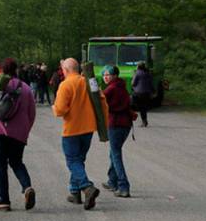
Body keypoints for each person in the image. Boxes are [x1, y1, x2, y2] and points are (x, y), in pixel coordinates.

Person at [0, 58, 37, 211]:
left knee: (0, 166)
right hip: (19, 132)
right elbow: (32, 112)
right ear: (16, 70)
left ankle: (4, 201)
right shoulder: (25, 88)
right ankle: (27, 187)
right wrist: (26, 129)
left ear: (2, 70)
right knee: (17, 162)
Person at [52, 57, 107, 209]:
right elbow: (102, 101)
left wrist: (54, 108)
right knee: (79, 160)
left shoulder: (66, 84)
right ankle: (75, 192)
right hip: (88, 128)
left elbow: (60, 109)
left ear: (66, 70)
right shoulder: (88, 82)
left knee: (72, 161)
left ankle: (86, 187)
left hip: (72, 130)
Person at [102, 65, 133, 197]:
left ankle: (123, 186)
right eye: (104, 74)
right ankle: (112, 181)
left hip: (116, 124)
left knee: (115, 154)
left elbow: (101, 102)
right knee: (113, 152)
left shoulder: (111, 89)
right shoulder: (122, 86)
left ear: (114, 76)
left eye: (108, 74)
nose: (105, 77)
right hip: (126, 125)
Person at [131, 62, 153, 127]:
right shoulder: (148, 73)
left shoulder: (137, 73)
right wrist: (153, 91)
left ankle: (142, 121)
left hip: (138, 94)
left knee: (137, 106)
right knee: (143, 107)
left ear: (138, 67)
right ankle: (144, 121)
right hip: (147, 93)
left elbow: (133, 83)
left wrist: (133, 76)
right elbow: (151, 83)